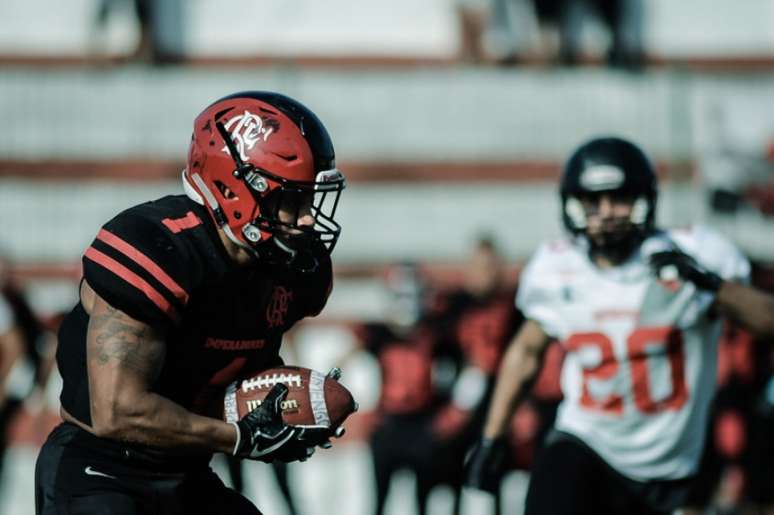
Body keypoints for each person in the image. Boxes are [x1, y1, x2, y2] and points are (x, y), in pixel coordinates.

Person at [34, 91, 348, 515]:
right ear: (237, 187)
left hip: (187, 473)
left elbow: (234, 376)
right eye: (292, 201)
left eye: (309, 201)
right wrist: (238, 437)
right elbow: (118, 413)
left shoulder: (293, 271)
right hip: (102, 470)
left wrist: (287, 407)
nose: (308, 219)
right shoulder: (159, 248)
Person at [465, 136, 774, 515]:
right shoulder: (556, 267)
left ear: (645, 199)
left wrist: (711, 284)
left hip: (672, 465)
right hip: (587, 442)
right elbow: (526, 351)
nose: (607, 212)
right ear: (572, 205)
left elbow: (768, 320)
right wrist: (491, 437)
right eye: (593, 202)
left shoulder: (695, 253)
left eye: (620, 198)